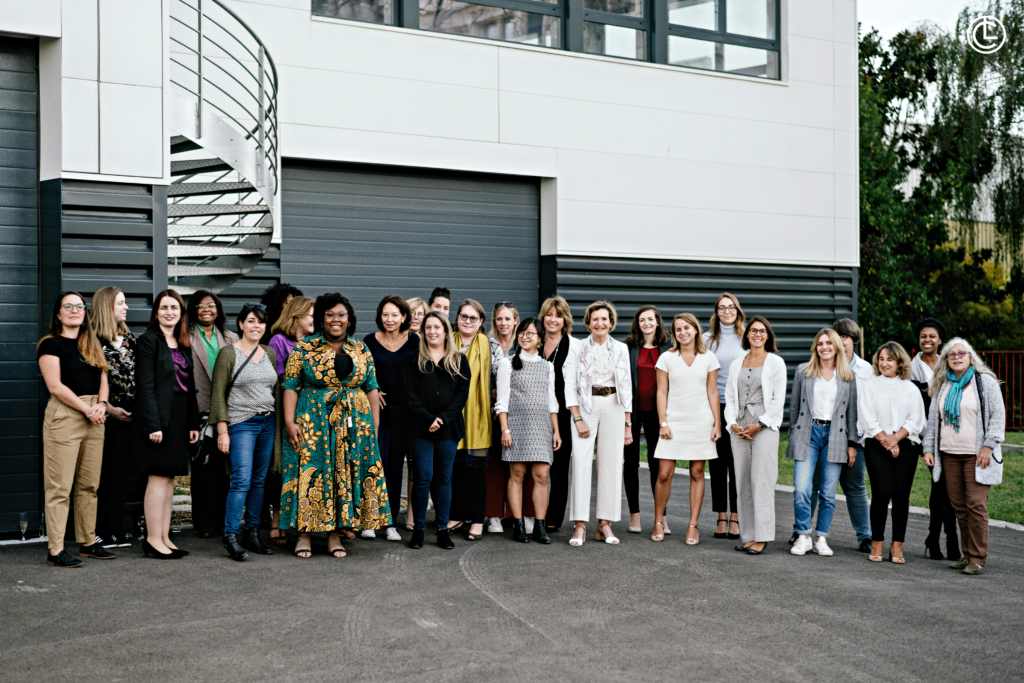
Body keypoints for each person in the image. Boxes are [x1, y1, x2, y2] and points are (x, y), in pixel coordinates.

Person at [280, 293, 391, 559]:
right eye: (329, 314)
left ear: (349, 318)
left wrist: (373, 427)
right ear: (321, 319)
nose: (335, 319)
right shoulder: (304, 347)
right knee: (311, 474)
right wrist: (289, 421)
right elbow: (291, 385)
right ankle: (304, 535)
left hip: (353, 427)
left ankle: (334, 535)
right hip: (313, 424)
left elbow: (372, 387)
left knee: (344, 476)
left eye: (341, 314)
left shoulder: (360, 348)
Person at [37, 292, 113, 567]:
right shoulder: (50, 344)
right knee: (60, 487)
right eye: (67, 306)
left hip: (95, 416)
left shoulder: (92, 343)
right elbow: (55, 386)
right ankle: (55, 550)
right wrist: (87, 409)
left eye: (79, 306)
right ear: (58, 314)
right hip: (66, 415)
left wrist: (101, 405)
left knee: (89, 485)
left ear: (84, 313)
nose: (74, 310)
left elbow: (103, 377)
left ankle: (88, 542)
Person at [788, 318, 873, 552]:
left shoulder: (849, 375)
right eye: (820, 343)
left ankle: (821, 539)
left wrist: (852, 443)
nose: (824, 347)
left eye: (829, 343)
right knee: (802, 489)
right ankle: (803, 535)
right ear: (815, 347)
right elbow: (794, 408)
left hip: (836, 436)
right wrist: (795, 434)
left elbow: (852, 412)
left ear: (836, 346)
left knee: (828, 492)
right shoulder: (803, 371)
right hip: (809, 434)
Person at [923, 338, 1005, 576]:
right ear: (946, 360)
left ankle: (978, 558)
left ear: (971, 357)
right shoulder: (942, 384)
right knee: (959, 507)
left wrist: (988, 446)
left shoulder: (985, 382)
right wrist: (928, 448)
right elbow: (933, 421)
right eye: (951, 354)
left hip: (977, 455)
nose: (956, 357)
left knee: (976, 506)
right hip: (949, 454)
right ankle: (967, 554)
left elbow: (998, 416)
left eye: (961, 353)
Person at [210, 304, 279, 561]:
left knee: (259, 480)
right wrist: (222, 431)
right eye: (251, 321)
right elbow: (218, 393)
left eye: (260, 322)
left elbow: (274, 390)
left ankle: (252, 532)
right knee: (241, 479)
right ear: (241, 324)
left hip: (267, 422)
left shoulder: (269, 352)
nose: (256, 326)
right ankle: (230, 535)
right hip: (241, 423)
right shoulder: (229, 353)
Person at [136, 290, 200, 559]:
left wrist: (193, 423)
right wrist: (153, 425)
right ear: (156, 312)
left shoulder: (183, 343)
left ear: (181, 313)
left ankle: (164, 536)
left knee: (170, 478)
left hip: (180, 417)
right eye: (164, 307)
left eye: (174, 307)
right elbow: (145, 387)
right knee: (158, 476)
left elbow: (190, 386)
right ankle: (152, 540)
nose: (169, 312)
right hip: (160, 418)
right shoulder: (148, 341)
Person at [399, 312, 471, 549]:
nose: (432, 332)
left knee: (443, 479)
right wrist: (428, 418)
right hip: (420, 428)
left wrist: (442, 419)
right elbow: (408, 394)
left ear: (445, 332)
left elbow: (462, 395)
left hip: (448, 429)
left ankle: (442, 530)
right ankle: (418, 530)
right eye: (428, 327)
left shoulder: (459, 360)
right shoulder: (413, 359)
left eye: (436, 327)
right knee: (422, 478)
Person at [565, 301, 633, 547]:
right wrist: (577, 417)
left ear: (611, 323)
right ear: (588, 323)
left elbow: (626, 385)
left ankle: (604, 523)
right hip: (586, 407)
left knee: (611, 464)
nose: (600, 323)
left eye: (604, 319)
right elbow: (569, 384)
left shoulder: (621, 348)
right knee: (581, 462)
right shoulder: (577, 347)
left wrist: (627, 423)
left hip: (614, 406)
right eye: (595, 319)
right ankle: (579, 525)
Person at [653, 313, 720, 545]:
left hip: (701, 421)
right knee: (664, 473)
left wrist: (717, 424)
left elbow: (713, 392)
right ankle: (658, 521)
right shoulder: (666, 358)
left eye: (687, 328)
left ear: (696, 330)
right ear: (674, 334)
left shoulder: (709, 357)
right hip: (673, 421)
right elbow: (661, 392)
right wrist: (663, 422)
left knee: (697, 473)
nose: (683, 332)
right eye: (678, 329)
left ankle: (693, 526)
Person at [859, 342, 926, 564]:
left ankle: (897, 544)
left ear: (899, 362)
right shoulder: (869, 386)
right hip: (876, 443)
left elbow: (916, 420)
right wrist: (887, 440)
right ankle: (877, 542)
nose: (884, 363)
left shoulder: (910, 388)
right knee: (880, 495)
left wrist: (896, 438)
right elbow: (867, 418)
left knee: (900, 497)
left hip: (906, 444)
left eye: (889, 359)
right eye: (881, 359)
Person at [724, 316, 786, 555]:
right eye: (753, 331)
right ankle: (748, 535)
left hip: (764, 427)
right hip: (739, 428)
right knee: (742, 482)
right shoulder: (736, 363)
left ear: (768, 336)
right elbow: (730, 397)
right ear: (747, 335)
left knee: (762, 481)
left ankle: (762, 536)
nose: (757, 335)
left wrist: (760, 424)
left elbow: (778, 399)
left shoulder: (775, 362)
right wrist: (732, 423)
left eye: (762, 331)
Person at [495, 318, 560, 544]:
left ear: (540, 338)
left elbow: (552, 401)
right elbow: (502, 400)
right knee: (518, 475)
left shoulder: (547, 366)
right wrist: (505, 429)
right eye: (521, 333)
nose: (524, 336)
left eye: (530, 333)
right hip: (517, 427)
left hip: (541, 427)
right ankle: (519, 524)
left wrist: (556, 431)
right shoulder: (507, 363)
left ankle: (540, 526)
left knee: (541, 476)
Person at [363, 295, 419, 542]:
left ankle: (390, 523)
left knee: (395, 469)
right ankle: (369, 519)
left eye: (395, 315)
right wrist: (372, 391)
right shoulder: (369, 341)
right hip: (378, 413)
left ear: (404, 316)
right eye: (385, 314)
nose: (389, 319)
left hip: (404, 414)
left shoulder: (414, 341)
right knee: (376, 465)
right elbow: (363, 375)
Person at [449, 299, 502, 540]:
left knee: (474, 470)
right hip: (450, 413)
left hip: (478, 417)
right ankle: (457, 515)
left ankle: (478, 520)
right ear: (457, 318)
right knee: (453, 468)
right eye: (464, 316)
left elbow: (501, 378)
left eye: (473, 318)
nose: (468, 321)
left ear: (481, 322)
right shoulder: (447, 341)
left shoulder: (490, 345)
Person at [265, 295, 316, 544]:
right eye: (311, 315)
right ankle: (277, 521)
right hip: (284, 410)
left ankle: (308, 518)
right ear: (297, 317)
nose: (315, 320)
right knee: (282, 465)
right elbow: (277, 377)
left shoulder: (315, 342)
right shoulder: (278, 341)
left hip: (311, 413)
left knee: (307, 466)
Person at [186, 290, 237, 539]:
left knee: (225, 468)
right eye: (200, 305)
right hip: (199, 409)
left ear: (218, 309)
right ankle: (203, 522)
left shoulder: (231, 337)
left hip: (229, 409)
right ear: (193, 310)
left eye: (211, 305)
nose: (206, 309)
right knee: (203, 467)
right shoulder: (185, 336)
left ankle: (221, 521)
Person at [91, 286, 137, 549]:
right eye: (121, 303)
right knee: (99, 474)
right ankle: (97, 530)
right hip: (101, 415)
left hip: (129, 417)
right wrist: (108, 408)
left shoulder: (130, 339)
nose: (126, 307)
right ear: (107, 306)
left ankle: (116, 529)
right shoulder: (91, 340)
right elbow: (87, 380)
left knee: (120, 474)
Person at [910, 317, 959, 561]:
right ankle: (951, 539)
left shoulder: (949, 364)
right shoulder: (911, 370)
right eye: (923, 336)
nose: (927, 340)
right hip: (925, 436)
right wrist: (925, 439)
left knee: (940, 486)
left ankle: (933, 537)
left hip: (950, 434)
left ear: (940, 340)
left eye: (932, 336)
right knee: (943, 485)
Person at [486, 301, 533, 534]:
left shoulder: (523, 344)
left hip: (520, 412)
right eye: (499, 319)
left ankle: (520, 514)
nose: (503, 323)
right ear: (494, 321)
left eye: (508, 319)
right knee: (494, 464)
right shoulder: (486, 343)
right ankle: (494, 514)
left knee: (521, 465)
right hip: (491, 411)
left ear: (516, 321)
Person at [624, 305, 670, 534]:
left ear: (657, 321)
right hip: (632, 412)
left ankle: (661, 517)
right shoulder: (628, 347)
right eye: (642, 320)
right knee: (631, 463)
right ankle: (634, 514)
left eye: (650, 319)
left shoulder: (669, 347)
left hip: (658, 413)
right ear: (638, 323)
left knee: (657, 464)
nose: (647, 323)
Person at [703, 293, 745, 541]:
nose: (727, 311)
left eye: (731, 307)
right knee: (717, 464)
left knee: (737, 463)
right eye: (722, 307)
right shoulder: (706, 339)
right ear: (716, 311)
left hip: (741, 407)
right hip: (715, 405)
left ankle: (736, 517)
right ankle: (721, 516)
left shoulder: (747, 337)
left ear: (738, 311)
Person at [540, 296, 581, 534]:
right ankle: (532, 514)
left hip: (564, 413)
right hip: (536, 412)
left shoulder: (575, 346)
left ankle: (553, 517)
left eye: (558, 315)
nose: (553, 319)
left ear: (565, 320)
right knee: (535, 466)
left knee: (559, 466)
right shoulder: (534, 341)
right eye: (549, 314)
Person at [402, 296, 429, 529]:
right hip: (399, 408)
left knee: (416, 466)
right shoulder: (400, 339)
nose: (416, 317)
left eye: (421, 313)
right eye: (412, 312)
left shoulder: (428, 341)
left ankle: (412, 514)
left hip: (421, 411)